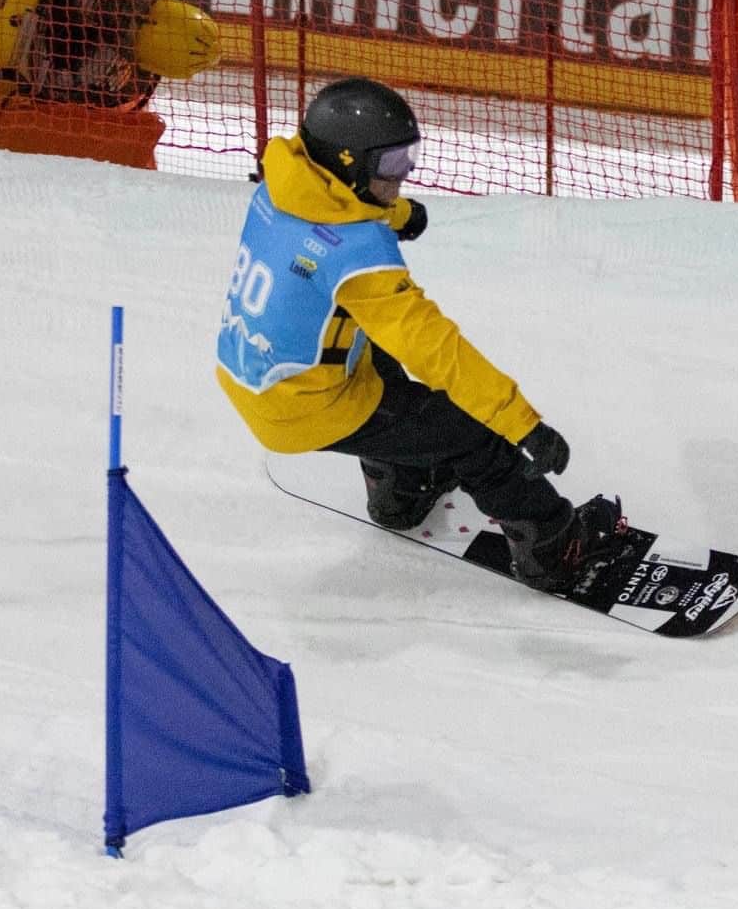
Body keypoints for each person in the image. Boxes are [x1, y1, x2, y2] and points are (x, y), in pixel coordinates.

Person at [215, 76, 625, 593]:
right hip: (304, 406)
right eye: (390, 164)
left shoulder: (280, 187)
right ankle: (553, 545)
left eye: (408, 157)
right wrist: (520, 423)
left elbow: (333, 214)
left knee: (376, 352)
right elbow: (435, 347)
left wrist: (397, 213)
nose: (404, 173)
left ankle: (401, 490)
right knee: (472, 433)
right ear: (348, 162)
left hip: (253, 372)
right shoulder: (359, 256)